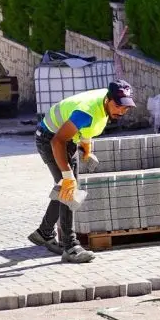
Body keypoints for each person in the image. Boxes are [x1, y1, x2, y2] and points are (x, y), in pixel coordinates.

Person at [27, 81, 136, 263]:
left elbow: (89, 127)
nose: (121, 111)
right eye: (118, 106)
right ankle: (70, 247)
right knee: (69, 191)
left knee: (65, 189)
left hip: (67, 140)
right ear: (108, 99)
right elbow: (57, 142)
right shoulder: (86, 112)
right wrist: (67, 175)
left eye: (125, 107)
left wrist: (86, 146)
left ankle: (44, 233)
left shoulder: (105, 101)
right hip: (51, 140)